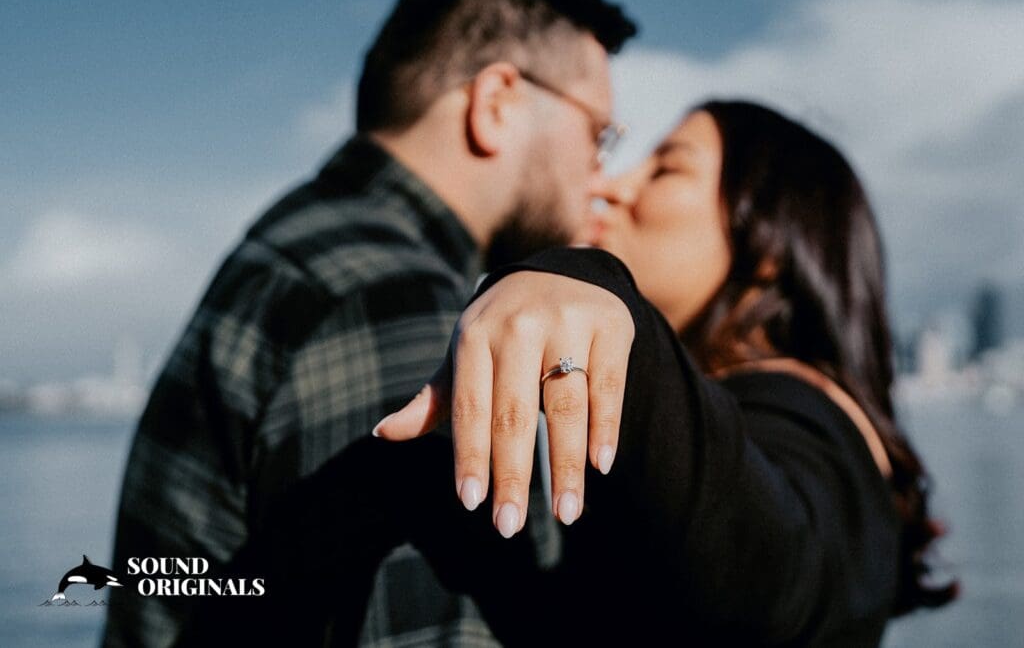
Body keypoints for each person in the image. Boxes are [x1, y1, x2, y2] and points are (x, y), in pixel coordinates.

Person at [102, 0, 636, 646]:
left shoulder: (305, 245)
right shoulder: (393, 299)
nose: (601, 177)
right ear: (496, 101)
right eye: (598, 135)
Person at [373, 100, 957, 644]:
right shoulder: (826, 432)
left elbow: (763, 562)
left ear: (770, 243)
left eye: (666, 171)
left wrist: (592, 286)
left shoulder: (800, 417)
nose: (611, 186)